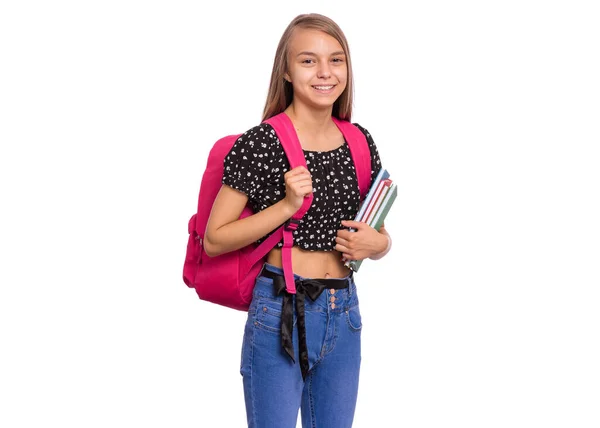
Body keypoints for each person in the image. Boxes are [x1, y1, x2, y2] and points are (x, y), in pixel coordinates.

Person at [203, 13, 392, 428]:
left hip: (344, 309)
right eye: (308, 61)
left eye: (336, 60)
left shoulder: (359, 140)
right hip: (280, 310)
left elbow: (374, 231)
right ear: (286, 71)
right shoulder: (262, 142)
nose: (324, 72)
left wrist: (379, 246)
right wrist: (287, 207)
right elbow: (214, 239)